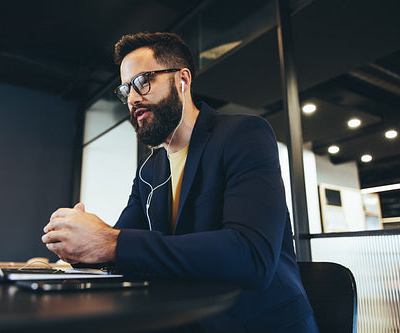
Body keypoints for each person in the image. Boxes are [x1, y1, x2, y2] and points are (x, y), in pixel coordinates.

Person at [42, 32, 319, 333]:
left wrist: (110, 242)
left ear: (182, 80)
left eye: (142, 81)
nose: (132, 98)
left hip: (260, 323)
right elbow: (122, 248)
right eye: (125, 90)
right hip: (185, 321)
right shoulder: (149, 171)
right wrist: (79, 247)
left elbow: (251, 256)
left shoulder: (244, 135)